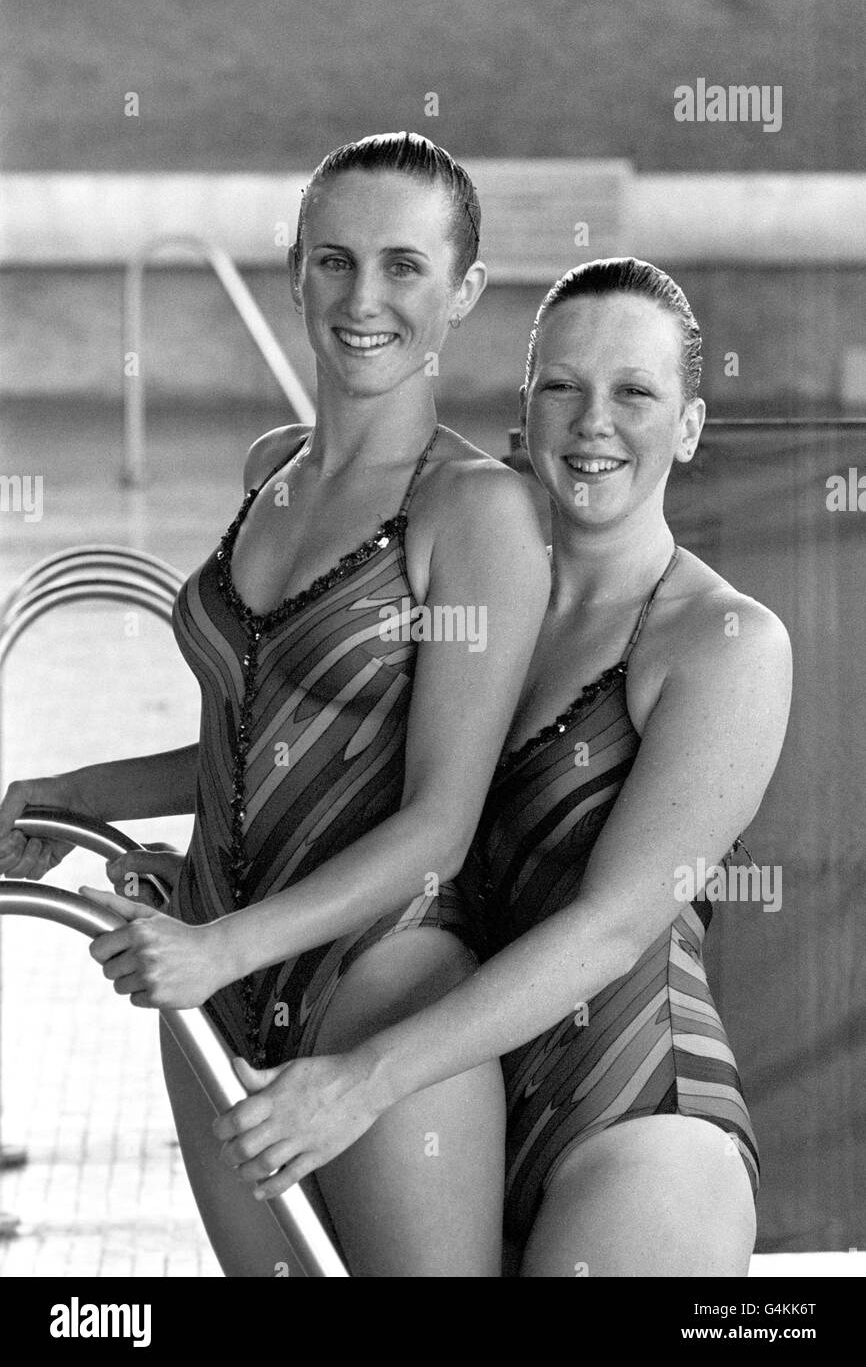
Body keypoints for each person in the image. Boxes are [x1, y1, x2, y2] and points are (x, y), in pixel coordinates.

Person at [0, 132, 551, 1277]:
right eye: (334, 260)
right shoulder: (272, 471)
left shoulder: (475, 511)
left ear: (464, 293)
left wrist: (215, 947)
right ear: (294, 272)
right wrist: (74, 793)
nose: (364, 297)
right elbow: (249, 732)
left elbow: (437, 824)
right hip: (213, 994)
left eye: (405, 266)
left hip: (380, 996)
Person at [210, 258, 793, 1278]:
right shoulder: (462, 564)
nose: (592, 421)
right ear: (523, 406)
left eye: (634, 392)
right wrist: (110, 816)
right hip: (448, 1096)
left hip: (631, 1119)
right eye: (561, 385)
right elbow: (295, 747)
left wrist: (364, 1080)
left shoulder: (722, 643)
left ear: (688, 428)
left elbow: (609, 927)